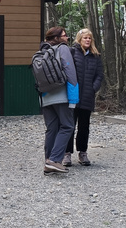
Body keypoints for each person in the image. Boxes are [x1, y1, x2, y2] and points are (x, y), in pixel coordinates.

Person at [38, 26, 79, 174]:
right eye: (64, 35)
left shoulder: (42, 51)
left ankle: (48, 162)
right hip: (61, 95)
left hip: (45, 96)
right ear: (56, 38)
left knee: (52, 129)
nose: (67, 38)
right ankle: (54, 160)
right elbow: (70, 72)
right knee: (68, 126)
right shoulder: (62, 49)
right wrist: (74, 96)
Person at [63, 28, 104, 167]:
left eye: (89, 38)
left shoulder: (95, 56)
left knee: (84, 126)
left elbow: (99, 75)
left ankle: (82, 152)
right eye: (85, 38)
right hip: (72, 96)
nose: (87, 40)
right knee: (69, 125)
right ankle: (67, 153)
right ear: (79, 39)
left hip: (87, 95)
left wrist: (94, 87)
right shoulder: (72, 52)